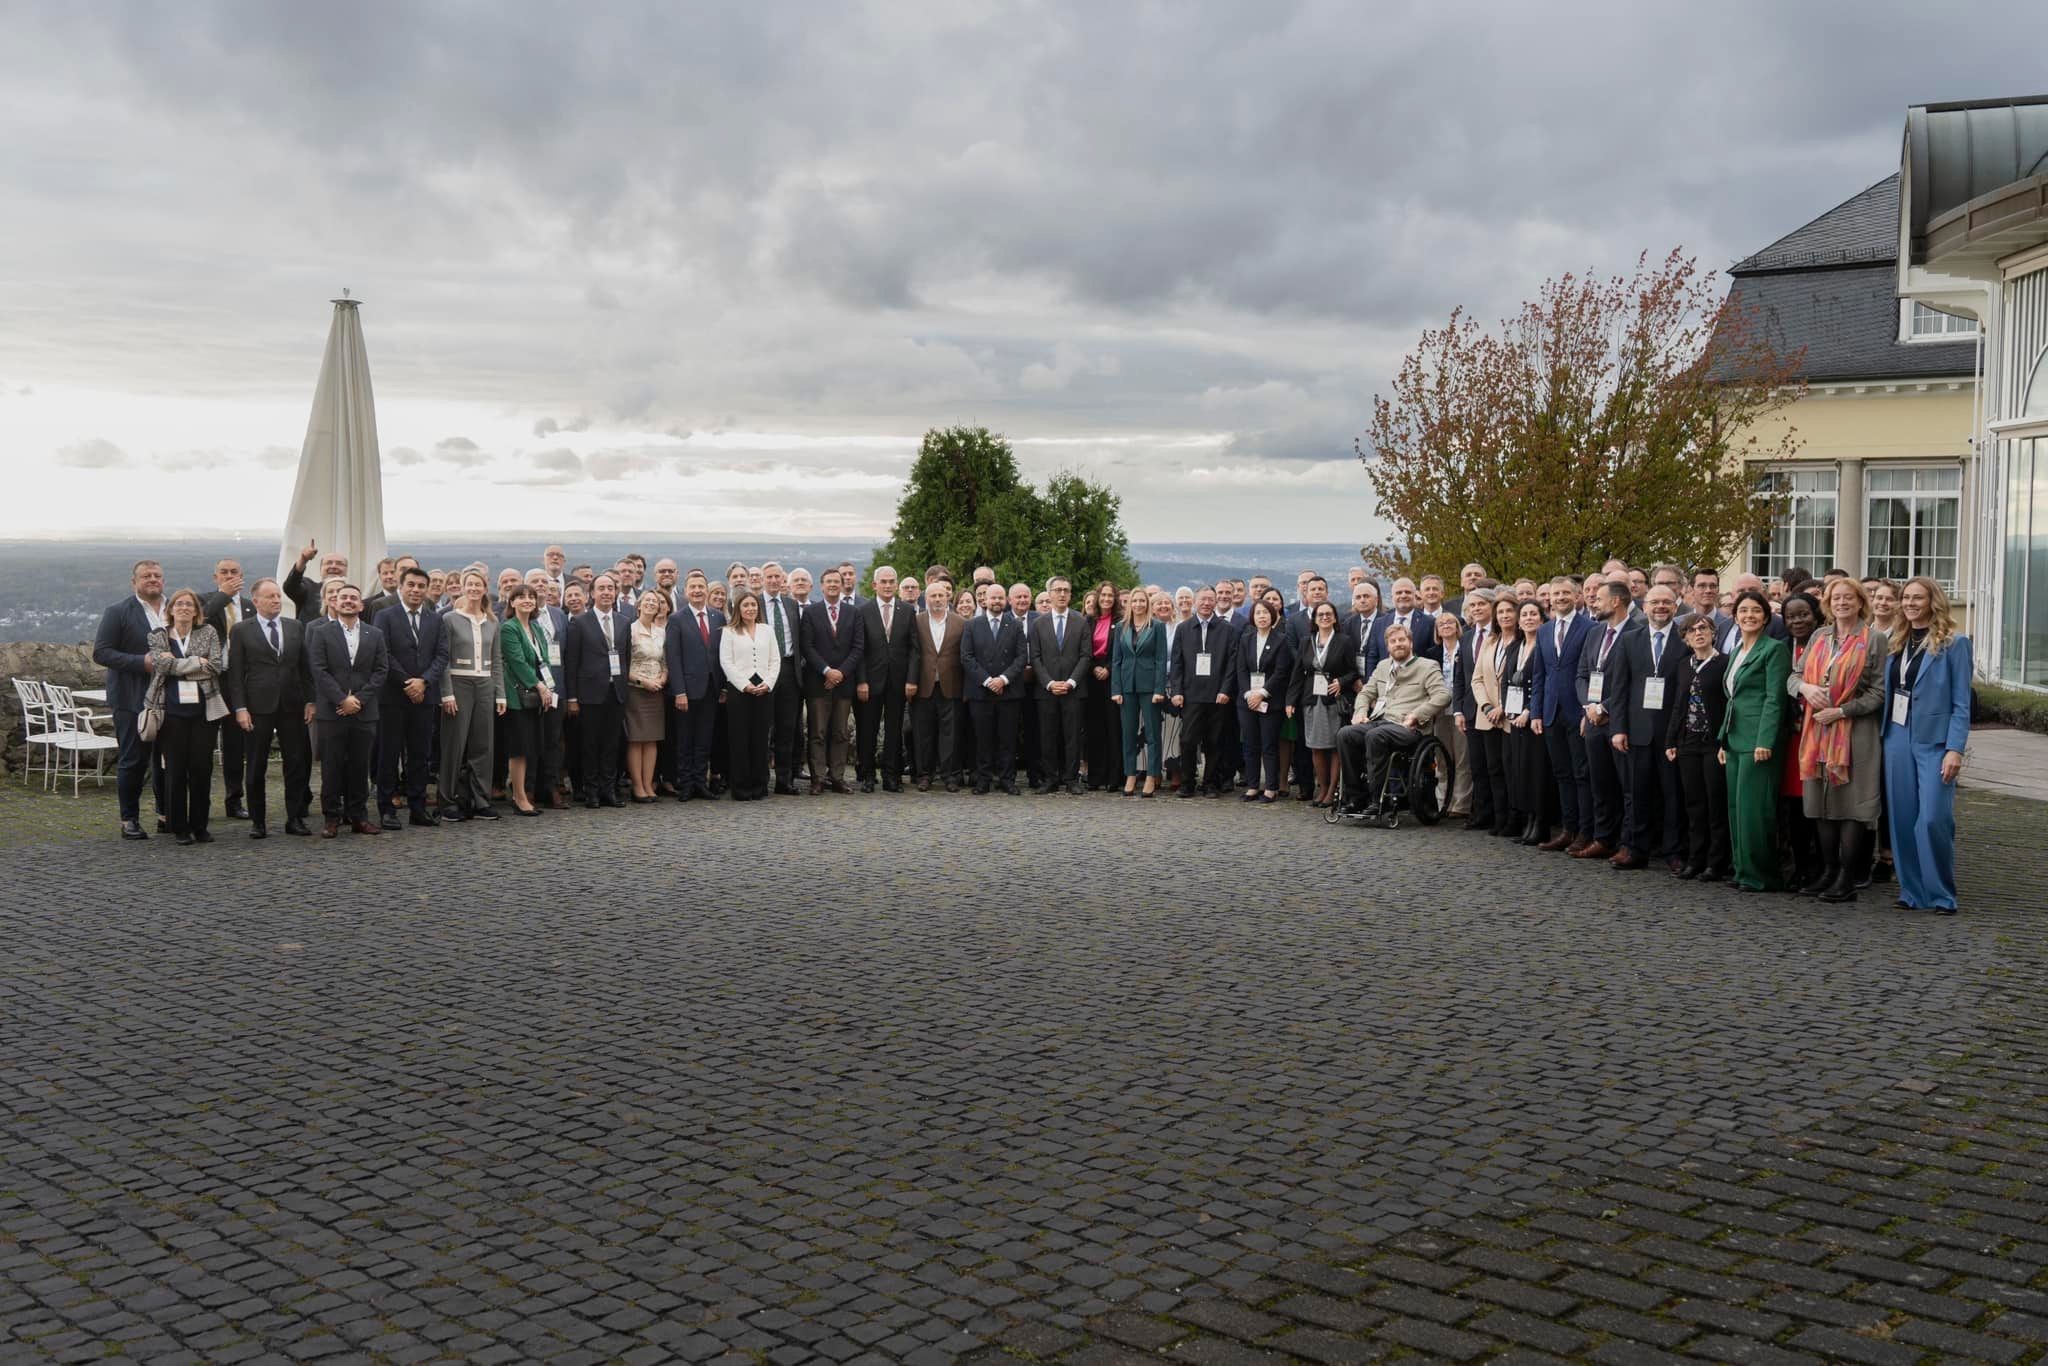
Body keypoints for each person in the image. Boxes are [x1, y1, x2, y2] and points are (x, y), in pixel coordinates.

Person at [1796, 576, 1889, 904]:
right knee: (1821, 804)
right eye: (1836, 598)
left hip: (1855, 732)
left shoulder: (1874, 639)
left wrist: (1842, 711)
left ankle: (1847, 877)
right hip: (1817, 732)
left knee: (1850, 805)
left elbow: (1879, 692)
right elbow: (1794, 676)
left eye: (1849, 597)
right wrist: (1805, 688)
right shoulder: (1819, 636)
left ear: (1861, 601)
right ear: (1828, 603)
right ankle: (1828, 870)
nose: (1842, 602)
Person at [1883, 576, 1970, 915]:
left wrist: (1955, 749)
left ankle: (1941, 893)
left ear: (1933, 601)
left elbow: (1962, 703)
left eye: (1917, 598)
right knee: (1902, 818)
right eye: (1906, 597)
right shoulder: (1896, 641)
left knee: (1933, 817)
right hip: (1896, 736)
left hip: (1935, 741)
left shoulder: (1955, 644)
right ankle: (1912, 891)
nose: (1910, 603)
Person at [225, 577, 314, 839]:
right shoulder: (241, 630)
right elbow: (235, 674)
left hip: (292, 705)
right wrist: (240, 708)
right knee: (256, 765)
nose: (276, 600)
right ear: (256, 601)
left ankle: (295, 818)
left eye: (278, 596)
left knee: (296, 763)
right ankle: (258, 821)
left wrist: (311, 701)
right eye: (270, 596)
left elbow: (305, 669)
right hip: (257, 706)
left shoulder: (295, 626)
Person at [1335, 624, 1451, 817]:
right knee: (1345, 734)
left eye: (1402, 640)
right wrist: (1360, 712)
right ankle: (1355, 798)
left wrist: (1417, 714)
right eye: (1393, 641)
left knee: (1375, 735)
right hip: (1380, 720)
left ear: (1410, 643)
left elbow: (1443, 696)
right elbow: (1365, 693)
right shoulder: (1383, 666)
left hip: (1408, 727)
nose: (1398, 644)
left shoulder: (1427, 666)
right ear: (1388, 646)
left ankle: (1378, 799)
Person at [1719, 589, 1791, 893]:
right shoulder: (1738, 650)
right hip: (1735, 738)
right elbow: (1732, 698)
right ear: (1735, 617)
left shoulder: (1774, 650)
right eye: (1743, 611)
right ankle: (1742, 869)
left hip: (1758, 740)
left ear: (1766, 617)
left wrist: (1766, 740)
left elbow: (1775, 699)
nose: (1749, 615)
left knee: (1754, 810)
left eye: (1755, 611)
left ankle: (1761, 875)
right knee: (1736, 808)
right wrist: (1723, 740)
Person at [93, 559, 170, 840]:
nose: (153, 579)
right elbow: (101, 652)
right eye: (146, 576)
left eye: (157, 575)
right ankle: (129, 820)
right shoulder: (118, 612)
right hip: (131, 698)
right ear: (134, 581)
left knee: (167, 761)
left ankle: (166, 815)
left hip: (171, 699)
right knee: (133, 760)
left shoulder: (175, 608)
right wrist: (141, 662)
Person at [146, 588, 228, 845]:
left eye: (189, 605)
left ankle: (200, 826)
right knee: (175, 770)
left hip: (204, 711)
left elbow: (215, 666)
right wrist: (197, 662)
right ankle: (178, 826)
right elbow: (161, 666)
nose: (184, 608)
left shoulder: (208, 632)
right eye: (179, 604)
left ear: (196, 611)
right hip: (170, 712)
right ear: (170, 609)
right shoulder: (158, 635)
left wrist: (178, 665)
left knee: (202, 769)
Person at [1612, 585, 1685, 872]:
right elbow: (1619, 687)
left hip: (1672, 732)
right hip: (1637, 731)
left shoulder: (1685, 639)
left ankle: (1674, 852)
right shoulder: (1629, 640)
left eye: (1667, 602)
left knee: (1672, 795)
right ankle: (1636, 849)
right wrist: (1618, 728)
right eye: (1655, 602)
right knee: (1637, 793)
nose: (1661, 606)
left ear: (1675, 607)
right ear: (1644, 606)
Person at [306, 583, 388, 838]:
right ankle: (331, 818)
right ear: (335, 602)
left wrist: (358, 700)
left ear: (361, 605)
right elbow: (318, 670)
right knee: (331, 767)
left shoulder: (375, 634)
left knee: (359, 767)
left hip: (364, 711)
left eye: (354, 597)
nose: (348, 601)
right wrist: (342, 700)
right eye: (343, 597)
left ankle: (359, 817)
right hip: (332, 712)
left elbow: (381, 670)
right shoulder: (321, 632)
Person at [373, 566, 448, 830]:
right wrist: (408, 682)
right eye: (411, 585)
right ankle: (386, 809)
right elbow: (383, 653)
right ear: (401, 587)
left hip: (425, 697)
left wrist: (423, 682)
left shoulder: (435, 619)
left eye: (421, 586)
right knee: (388, 754)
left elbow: (442, 655)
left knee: (420, 755)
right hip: (393, 697)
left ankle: (418, 808)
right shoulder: (385, 616)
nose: (416, 590)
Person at [1573, 581, 1637, 860]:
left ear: (1616, 601)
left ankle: (1627, 841)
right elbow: (1581, 674)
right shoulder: (1595, 632)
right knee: (1599, 783)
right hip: (1593, 720)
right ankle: (1603, 838)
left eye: (1599, 599)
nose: (1594, 603)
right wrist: (1589, 706)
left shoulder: (1637, 632)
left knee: (1627, 786)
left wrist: (1604, 707)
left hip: (1619, 721)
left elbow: (1634, 680)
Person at [1664, 613, 1730, 881]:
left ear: (1713, 633)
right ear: (1686, 639)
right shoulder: (1683, 666)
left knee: (1716, 802)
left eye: (1703, 628)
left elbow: (1729, 704)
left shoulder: (1725, 663)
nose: (1698, 633)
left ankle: (1716, 862)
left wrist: (1726, 740)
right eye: (1691, 631)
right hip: (1687, 741)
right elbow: (1677, 705)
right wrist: (1671, 740)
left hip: (1714, 742)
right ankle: (1695, 859)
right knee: (1694, 803)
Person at [437, 570, 505, 822]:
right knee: (454, 744)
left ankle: (480, 800)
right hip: (459, 683)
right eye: (470, 584)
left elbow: (496, 660)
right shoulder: (450, 619)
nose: (474, 588)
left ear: (485, 588)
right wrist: (447, 693)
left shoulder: (492, 621)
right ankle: (448, 800)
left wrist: (500, 694)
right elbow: (443, 659)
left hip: (485, 684)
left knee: (483, 745)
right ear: (463, 588)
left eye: (478, 584)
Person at [1533, 576, 1591, 851]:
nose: (1560, 598)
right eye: (1556, 594)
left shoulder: (1590, 628)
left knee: (1582, 774)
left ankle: (1585, 832)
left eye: (1566, 593)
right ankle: (1568, 829)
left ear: (1577, 595)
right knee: (1562, 773)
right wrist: (1536, 712)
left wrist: (1587, 710)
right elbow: (1540, 674)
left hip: (1578, 712)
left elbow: (1592, 673)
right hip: (1550, 712)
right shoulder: (1544, 631)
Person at [564, 572, 632, 808]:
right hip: (589, 694)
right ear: (591, 594)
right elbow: (572, 662)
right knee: (590, 744)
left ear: (615, 593)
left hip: (616, 692)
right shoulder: (579, 623)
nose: (606, 592)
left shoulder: (624, 622)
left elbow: (626, 658)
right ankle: (591, 791)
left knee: (612, 744)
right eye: (601, 588)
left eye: (610, 588)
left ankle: (608, 790)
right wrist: (572, 697)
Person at [1168, 587, 1237, 797]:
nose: (1206, 603)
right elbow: (1177, 663)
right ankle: (1187, 782)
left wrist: (1226, 690)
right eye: (1202, 599)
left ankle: (1210, 784)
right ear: (1195, 602)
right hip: (1191, 694)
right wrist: (1177, 691)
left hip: (1218, 695)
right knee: (1188, 740)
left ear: (1215, 602)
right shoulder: (1183, 628)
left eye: (1210, 599)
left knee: (1214, 741)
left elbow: (1232, 663)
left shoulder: (1227, 629)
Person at [801, 568, 864, 793]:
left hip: (844, 683)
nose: (833, 585)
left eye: (837, 581)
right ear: (821, 585)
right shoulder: (811, 612)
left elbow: (858, 647)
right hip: (818, 682)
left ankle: (837, 777)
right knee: (817, 733)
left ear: (842, 584)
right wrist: (827, 671)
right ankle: (818, 779)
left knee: (840, 733)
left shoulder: (853, 612)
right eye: (829, 581)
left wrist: (840, 673)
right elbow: (807, 646)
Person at [200, 558, 254, 821]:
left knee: (235, 746)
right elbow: (200, 620)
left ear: (242, 576)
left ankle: (235, 800)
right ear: (215, 577)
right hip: (211, 680)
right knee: (204, 744)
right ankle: (201, 803)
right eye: (224, 572)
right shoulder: (205, 600)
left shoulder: (249, 606)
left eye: (234, 572)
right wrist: (223, 596)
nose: (229, 576)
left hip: (239, 682)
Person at [960, 582, 1026, 794]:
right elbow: (966, 657)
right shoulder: (972, 625)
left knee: (1008, 739)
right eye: (992, 597)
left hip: (1009, 692)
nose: (996, 601)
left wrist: (1003, 680)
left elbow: (1021, 657)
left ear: (1006, 600)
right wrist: (988, 680)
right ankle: (983, 779)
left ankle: (1007, 779)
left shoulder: (1015, 625)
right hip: (981, 692)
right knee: (983, 739)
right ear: (985, 600)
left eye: (1000, 597)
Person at [1777, 592, 1823, 891]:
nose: (1797, 621)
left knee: (1816, 804)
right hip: (1790, 738)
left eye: (1803, 614)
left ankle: (1820, 868)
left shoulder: (1827, 646)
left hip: (1819, 735)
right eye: (1791, 616)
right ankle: (1798, 866)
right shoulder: (1781, 648)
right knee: (1793, 806)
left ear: (1816, 615)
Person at [856, 566, 917, 793]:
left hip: (898, 681)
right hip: (871, 681)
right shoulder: (863, 611)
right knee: (868, 729)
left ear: (896, 584)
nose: (888, 585)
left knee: (894, 730)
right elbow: (859, 650)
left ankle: (892, 776)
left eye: (892, 581)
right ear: (875, 585)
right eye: (884, 581)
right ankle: (868, 775)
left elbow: (914, 649)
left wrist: (911, 679)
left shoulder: (907, 611)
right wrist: (861, 681)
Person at [666, 570, 724, 801]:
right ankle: (686, 784)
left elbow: (722, 655)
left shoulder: (718, 617)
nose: (698, 591)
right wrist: (679, 691)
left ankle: (701, 782)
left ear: (707, 590)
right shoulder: (676, 619)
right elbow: (673, 658)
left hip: (711, 689)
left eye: (701, 587)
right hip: (687, 691)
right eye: (693, 587)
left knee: (704, 739)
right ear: (686, 591)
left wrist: (723, 688)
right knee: (685, 740)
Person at [1029, 576, 1090, 795]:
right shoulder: (1038, 624)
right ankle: (1050, 778)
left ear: (1070, 594)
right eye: (1057, 590)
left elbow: (1086, 656)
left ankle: (1071, 779)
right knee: (1048, 736)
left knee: (1072, 737)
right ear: (1050, 594)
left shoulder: (1081, 622)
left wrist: (1071, 682)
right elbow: (1035, 657)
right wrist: (1049, 683)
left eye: (1066, 590)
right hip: (1047, 690)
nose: (1062, 594)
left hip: (1074, 690)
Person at [1292, 601, 1354, 807]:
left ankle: (1332, 791)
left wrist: (1341, 682)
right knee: (1316, 747)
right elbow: (1297, 673)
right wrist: (1291, 700)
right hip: (1311, 700)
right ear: (1315, 619)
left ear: (1335, 618)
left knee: (1334, 747)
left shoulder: (1344, 641)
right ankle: (1323, 787)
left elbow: (1353, 671)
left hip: (1333, 700)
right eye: (1321, 614)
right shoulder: (1306, 641)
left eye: (1329, 614)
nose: (1325, 617)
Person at [498, 584, 553, 816]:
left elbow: (544, 659)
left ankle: (523, 793)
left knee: (531, 746)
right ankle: (519, 797)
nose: (527, 600)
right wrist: (539, 685)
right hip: (517, 695)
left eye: (531, 596)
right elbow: (517, 662)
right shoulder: (508, 628)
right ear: (512, 602)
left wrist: (548, 686)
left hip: (536, 694)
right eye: (521, 597)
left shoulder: (536, 627)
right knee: (519, 748)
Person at [720, 589, 780, 801]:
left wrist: (768, 683)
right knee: (740, 739)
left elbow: (775, 660)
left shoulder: (767, 630)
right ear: (738, 608)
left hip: (764, 690)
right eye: (746, 605)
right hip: (739, 692)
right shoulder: (729, 631)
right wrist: (744, 685)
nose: (750, 608)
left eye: (753, 605)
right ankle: (741, 787)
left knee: (760, 739)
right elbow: (726, 661)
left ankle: (759, 785)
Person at [1500, 599, 1551, 846]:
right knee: (1520, 771)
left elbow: (1544, 682)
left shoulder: (1545, 645)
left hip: (1534, 719)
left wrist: (1529, 711)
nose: (1529, 618)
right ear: (1519, 622)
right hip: (1515, 719)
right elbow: (1505, 682)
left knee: (1536, 773)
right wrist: (1508, 710)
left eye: (1533, 614)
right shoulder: (1514, 647)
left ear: (1542, 619)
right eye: (1525, 615)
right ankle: (1528, 822)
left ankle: (1540, 824)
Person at [1234, 598, 1293, 803]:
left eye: (1265, 613)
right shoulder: (1246, 639)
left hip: (1271, 700)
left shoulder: (1281, 640)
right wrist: (1248, 694)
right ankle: (1252, 786)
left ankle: (1270, 787)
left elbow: (1281, 671)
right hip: (1247, 701)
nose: (1262, 616)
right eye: (1258, 613)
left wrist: (1262, 693)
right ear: (1252, 617)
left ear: (1273, 616)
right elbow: (1241, 669)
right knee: (1250, 745)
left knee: (1269, 745)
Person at [1110, 585, 1167, 797]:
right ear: (1129, 604)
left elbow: (1161, 659)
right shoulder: (1121, 627)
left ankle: (1152, 775)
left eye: (1142, 600)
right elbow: (1116, 660)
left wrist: (1159, 689)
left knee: (1152, 734)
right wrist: (1116, 689)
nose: (1138, 604)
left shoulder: (1157, 626)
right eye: (1135, 601)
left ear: (1147, 603)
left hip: (1150, 686)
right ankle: (1130, 774)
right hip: (1126, 687)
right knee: (1128, 733)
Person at [1469, 595, 1517, 839]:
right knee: (1493, 769)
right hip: (1487, 717)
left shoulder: (1523, 642)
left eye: (1509, 611)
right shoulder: (1490, 642)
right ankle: (1499, 818)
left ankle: (1514, 819)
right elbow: (1476, 679)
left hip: (1511, 717)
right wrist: (1487, 706)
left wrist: (1503, 707)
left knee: (1511, 770)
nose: (1505, 616)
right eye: (1501, 612)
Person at [912, 579, 963, 790]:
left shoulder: (960, 623)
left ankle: (949, 776)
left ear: (947, 597)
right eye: (933, 596)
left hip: (951, 686)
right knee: (923, 733)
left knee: (950, 734)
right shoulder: (916, 621)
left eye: (941, 595)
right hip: (923, 685)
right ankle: (925, 775)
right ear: (926, 599)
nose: (937, 599)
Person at [622, 583, 670, 802]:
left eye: (655, 602)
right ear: (639, 605)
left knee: (652, 739)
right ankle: (638, 786)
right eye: (647, 601)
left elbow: (664, 662)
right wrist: (643, 681)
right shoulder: (629, 630)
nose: (651, 604)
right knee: (636, 739)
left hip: (656, 691)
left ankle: (649, 784)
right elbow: (624, 664)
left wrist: (662, 679)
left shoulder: (661, 632)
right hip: (636, 690)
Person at [1083, 581, 1122, 791]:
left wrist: (1108, 668)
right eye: (1103, 595)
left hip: (1113, 677)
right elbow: (1082, 650)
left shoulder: (1121, 621)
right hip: (1091, 678)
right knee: (1094, 728)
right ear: (1098, 597)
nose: (1106, 599)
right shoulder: (1088, 621)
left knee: (1113, 727)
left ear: (1115, 599)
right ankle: (1095, 777)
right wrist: (1093, 668)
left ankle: (1113, 777)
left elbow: (1122, 651)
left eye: (1110, 595)